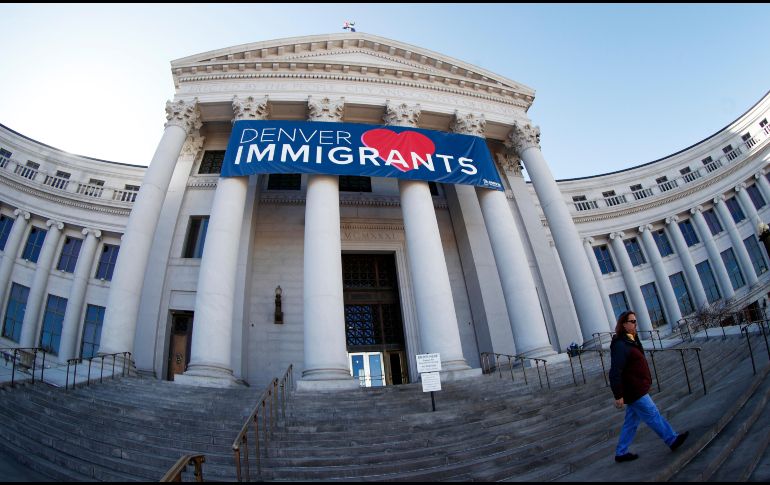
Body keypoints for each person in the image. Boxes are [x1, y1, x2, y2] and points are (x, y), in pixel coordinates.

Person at [609, 311, 689, 462]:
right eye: (632, 321)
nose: (635, 324)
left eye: (635, 321)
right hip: (634, 389)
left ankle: (620, 452)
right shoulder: (620, 344)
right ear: (623, 324)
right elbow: (615, 371)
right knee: (652, 413)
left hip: (637, 387)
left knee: (631, 423)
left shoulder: (630, 340)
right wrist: (618, 395)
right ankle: (671, 439)